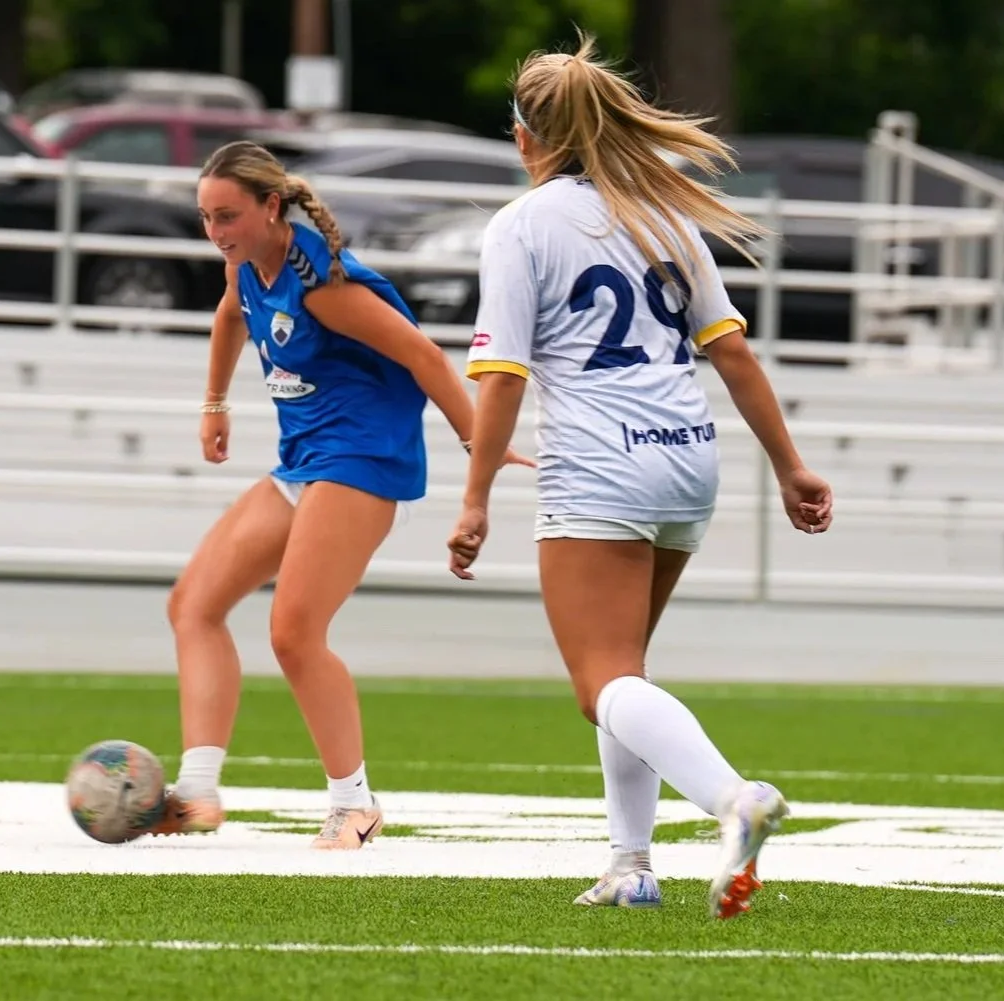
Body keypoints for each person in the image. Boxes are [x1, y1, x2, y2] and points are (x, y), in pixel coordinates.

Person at [446, 34, 834, 919]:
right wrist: (789, 465)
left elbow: (499, 373)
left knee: (601, 682)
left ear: (524, 137)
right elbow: (729, 351)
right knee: (625, 677)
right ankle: (630, 863)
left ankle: (734, 799)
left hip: (599, 462)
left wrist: (474, 497)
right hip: (687, 457)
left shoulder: (520, 225)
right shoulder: (664, 213)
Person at [152, 140, 530, 849]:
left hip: (361, 457)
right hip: (305, 459)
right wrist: (213, 403)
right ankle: (196, 793)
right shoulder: (247, 265)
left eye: (227, 216)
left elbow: (420, 353)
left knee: (293, 632)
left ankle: (354, 804)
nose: (216, 233)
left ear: (272, 207)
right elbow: (230, 313)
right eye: (205, 219)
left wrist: (477, 443)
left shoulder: (320, 281)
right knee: (193, 605)